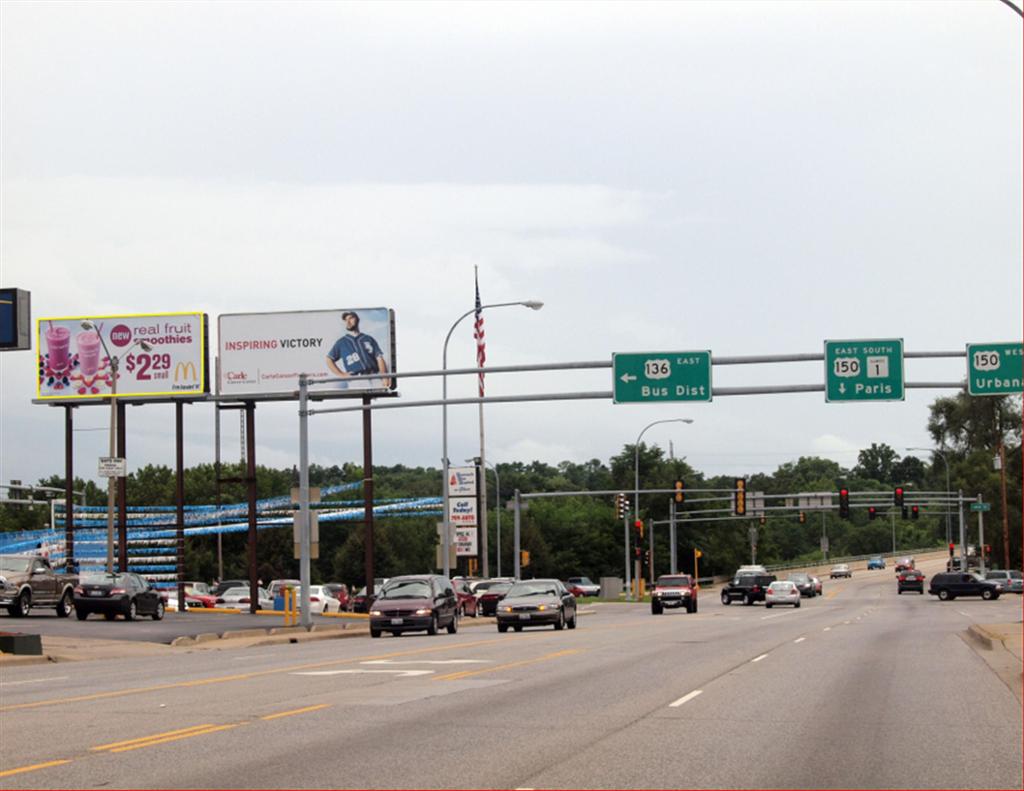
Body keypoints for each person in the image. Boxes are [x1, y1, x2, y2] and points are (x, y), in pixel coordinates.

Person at [325, 311, 391, 388]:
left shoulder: (368, 338)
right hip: (356, 379)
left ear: (357, 319)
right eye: (346, 320)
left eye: (351, 318)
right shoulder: (341, 342)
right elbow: (329, 359)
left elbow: (379, 358)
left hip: (375, 376)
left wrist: (384, 376)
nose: (348, 322)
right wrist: (341, 374)